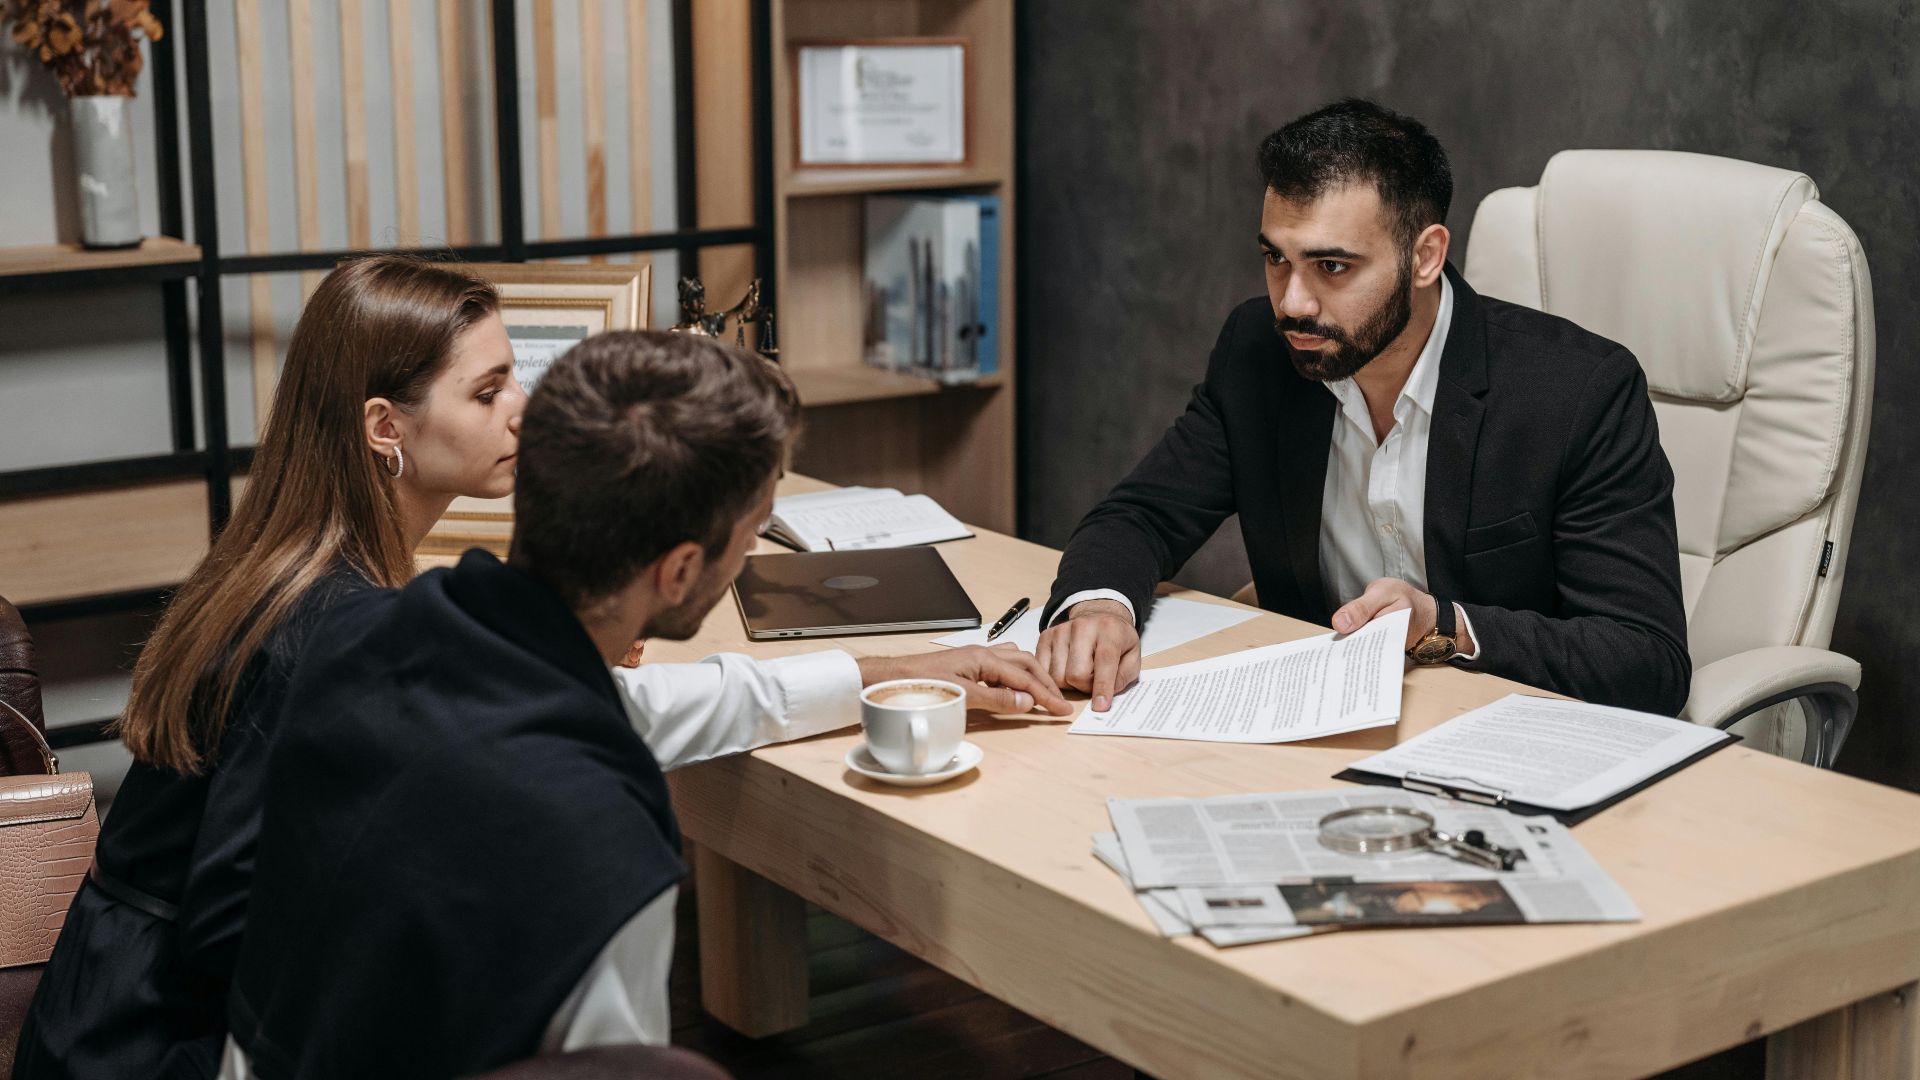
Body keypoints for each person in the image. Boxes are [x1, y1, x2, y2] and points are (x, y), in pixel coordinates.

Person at [216, 331, 1067, 1079]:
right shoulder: (600, 842)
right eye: (752, 534)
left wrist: (903, 669)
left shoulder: (373, 641)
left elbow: (650, 704)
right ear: (678, 570)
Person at [15, 254, 525, 1079]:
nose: (520, 411)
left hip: (111, 1008)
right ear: (384, 428)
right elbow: (232, 921)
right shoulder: (328, 617)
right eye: (488, 390)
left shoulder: (293, 564)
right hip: (151, 1044)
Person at [1035, 99, 1689, 716]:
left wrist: (1447, 625)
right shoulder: (1258, 354)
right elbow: (1142, 514)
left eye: (1333, 267)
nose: (1292, 302)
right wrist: (1099, 606)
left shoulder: (1577, 393)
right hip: (1323, 725)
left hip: (1514, 737)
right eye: (1276, 259)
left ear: (1425, 256)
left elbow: (1645, 659)